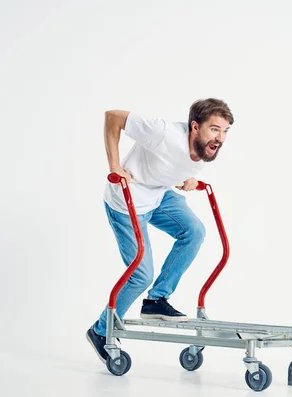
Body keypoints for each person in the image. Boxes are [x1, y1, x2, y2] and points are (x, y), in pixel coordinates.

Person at [86, 98, 234, 364]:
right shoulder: (163, 133)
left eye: (225, 131)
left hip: (158, 195)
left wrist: (190, 178)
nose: (220, 137)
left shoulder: (205, 148)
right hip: (127, 199)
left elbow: (177, 164)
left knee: (194, 232)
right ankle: (99, 330)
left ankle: (156, 300)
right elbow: (112, 117)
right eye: (214, 129)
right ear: (194, 127)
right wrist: (115, 167)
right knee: (140, 275)